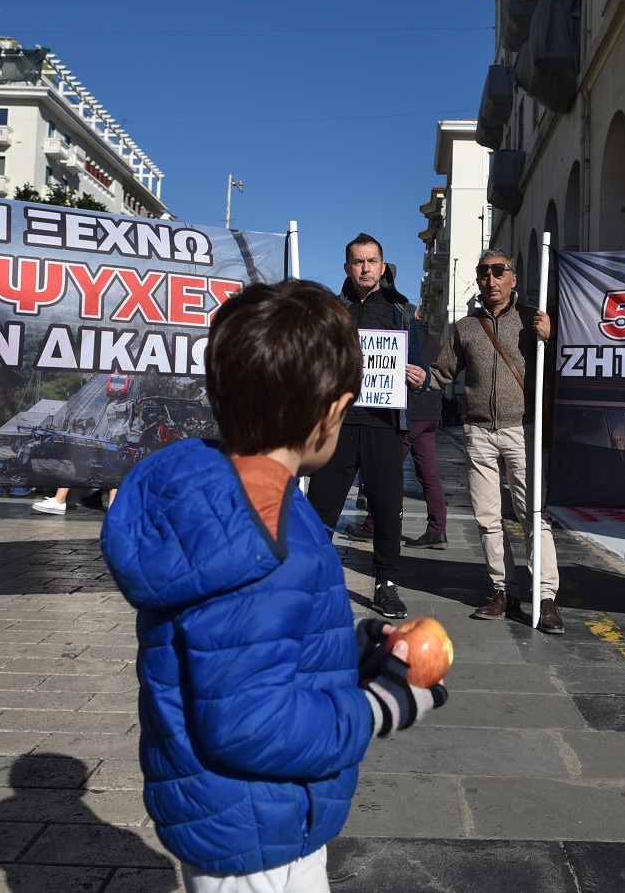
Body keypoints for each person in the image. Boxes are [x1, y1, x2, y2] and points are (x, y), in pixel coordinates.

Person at [99, 279, 446, 890]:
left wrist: (351, 644)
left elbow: (255, 641)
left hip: (229, 812)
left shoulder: (226, 496)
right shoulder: (265, 537)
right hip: (261, 828)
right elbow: (250, 723)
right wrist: (379, 706)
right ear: (333, 413)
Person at [430, 249, 563, 633]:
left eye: (498, 271)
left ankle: (546, 598)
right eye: (483, 273)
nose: (490, 279)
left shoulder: (533, 320)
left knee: (532, 515)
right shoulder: (465, 328)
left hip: (522, 430)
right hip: (477, 432)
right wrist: (416, 377)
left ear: (513, 278)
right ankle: (503, 591)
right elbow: (441, 372)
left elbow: (563, 362)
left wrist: (550, 338)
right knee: (488, 518)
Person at [305, 234, 429, 620]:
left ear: (382, 265)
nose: (365, 268)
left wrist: (418, 375)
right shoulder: (331, 311)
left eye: (371, 261)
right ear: (347, 268)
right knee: (321, 505)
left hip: (384, 425)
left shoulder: (400, 311)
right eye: (357, 262)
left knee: (387, 506)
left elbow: (421, 368)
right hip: (338, 425)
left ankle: (386, 583)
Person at [402, 311, 448, 548]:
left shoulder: (404, 338)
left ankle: (372, 524)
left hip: (411, 413)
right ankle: (437, 529)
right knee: (429, 476)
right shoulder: (434, 341)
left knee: (385, 471)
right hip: (431, 416)